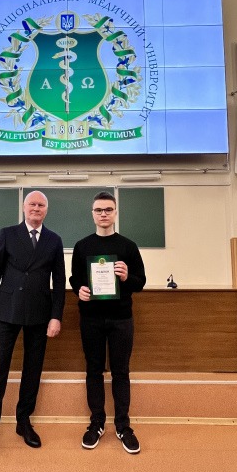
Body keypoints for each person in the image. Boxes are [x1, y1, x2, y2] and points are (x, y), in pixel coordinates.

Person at [0, 190, 66, 469]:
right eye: (32, 204)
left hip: (39, 314)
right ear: (24, 208)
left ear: (46, 210)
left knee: (32, 370)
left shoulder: (54, 240)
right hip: (6, 313)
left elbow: (59, 281)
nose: (36, 208)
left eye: (41, 205)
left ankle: (24, 422)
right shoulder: (7, 234)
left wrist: (56, 317)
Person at [69, 191, 146, 455]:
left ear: (115, 213)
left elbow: (140, 282)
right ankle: (97, 423)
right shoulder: (82, 246)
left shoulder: (128, 246)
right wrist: (79, 290)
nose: (103, 214)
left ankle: (123, 426)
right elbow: (75, 279)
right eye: (99, 210)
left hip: (121, 319)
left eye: (108, 209)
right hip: (90, 319)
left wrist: (126, 278)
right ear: (92, 214)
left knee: (121, 371)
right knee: (94, 371)